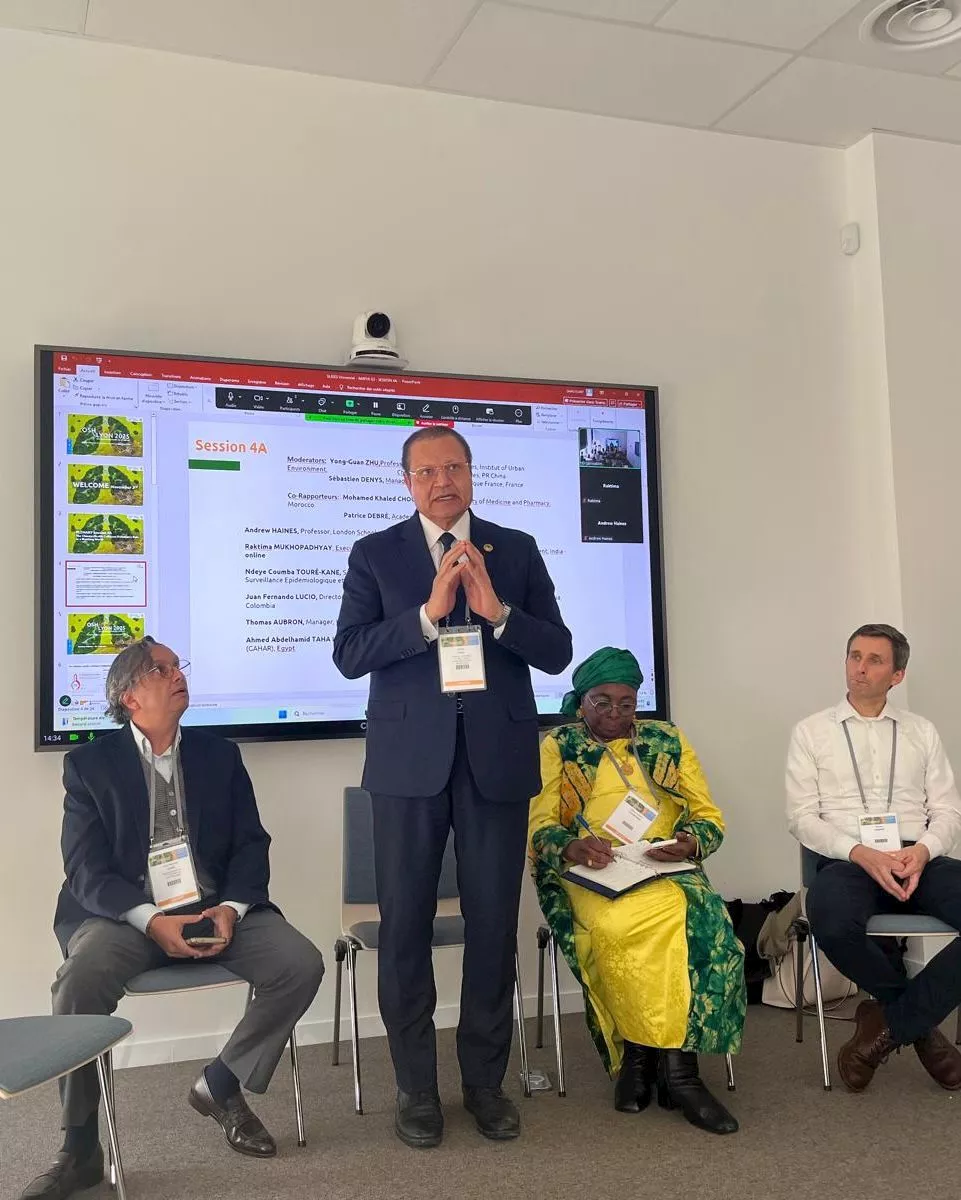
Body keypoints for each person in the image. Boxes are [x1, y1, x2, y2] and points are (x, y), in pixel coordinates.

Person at [333, 427, 572, 1148]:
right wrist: (427, 616)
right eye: (427, 471)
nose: (442, 481)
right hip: (408, 767)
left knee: (492, 928)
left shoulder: (516, 549)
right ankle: (415, 1088)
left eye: (454, 467)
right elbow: (349, 653)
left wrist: (498, 612)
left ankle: (484, 1084)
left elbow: (557, 651)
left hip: (496, 762)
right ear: (407, 482)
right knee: (404, 928)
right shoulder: (375, 553)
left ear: (471, 474)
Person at [20, 638, 325, 1200]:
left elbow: (251, 844)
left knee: (299, 962)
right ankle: (80, 1147)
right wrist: (149, 920)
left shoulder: (219, 755)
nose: (177, 674)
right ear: (129, 695)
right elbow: (84, 870)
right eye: (161, 670)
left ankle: (221, 1083)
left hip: (212, 908)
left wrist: (231, 909)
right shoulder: (89, 765)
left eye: (177, 666)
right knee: (79, 980)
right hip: (126, 918)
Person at [528, 647, 744, 1135]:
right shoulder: (559, 745)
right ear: (581, 701)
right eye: (602, 702)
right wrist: (571, 846)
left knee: (706, 924)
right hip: (593, 869)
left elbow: (708, 817)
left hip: (664, 866)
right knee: (618, 928)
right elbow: (540, 827)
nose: (616, 714)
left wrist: (691, 842)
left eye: (627, 703)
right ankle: (642, 1058)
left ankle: (675, 1071)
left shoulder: (667, 738)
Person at [786, 622, 961, 1092]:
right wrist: (860, 852)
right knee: (829, 918)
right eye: (854, 656)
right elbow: (801, 817)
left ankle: (885, 1027)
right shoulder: (811, 732)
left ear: (897, 675)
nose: (860, 668)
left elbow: (948, 811)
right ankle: (920, 1028)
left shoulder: (921, 731)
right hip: (849, 859)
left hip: (916, 856)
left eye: (874, 660)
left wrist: (923, 850)